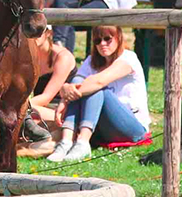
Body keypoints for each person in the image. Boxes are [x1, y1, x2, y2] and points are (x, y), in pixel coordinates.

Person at [47, 26, 150, 162]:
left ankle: (83, 142)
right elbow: (76, 82)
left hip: (133, 128)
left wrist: (65, 99)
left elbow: (98, 82)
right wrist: (66, 88)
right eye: (97, 40)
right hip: (102, 127)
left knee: (95, 87)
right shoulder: (91, 60)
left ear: (118, 38)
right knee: (79, 81)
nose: (102, 44)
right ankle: (66, 142)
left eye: (107, 39)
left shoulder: (129, 58)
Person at [27, 27, 77, 123]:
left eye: (37, 31)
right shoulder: (29, 56)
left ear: (48, 33)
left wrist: (18, 107)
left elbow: (47, 97)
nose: (33, 36)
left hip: (62, 111)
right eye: (29, 31)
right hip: (39, 109)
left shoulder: (63, 57)